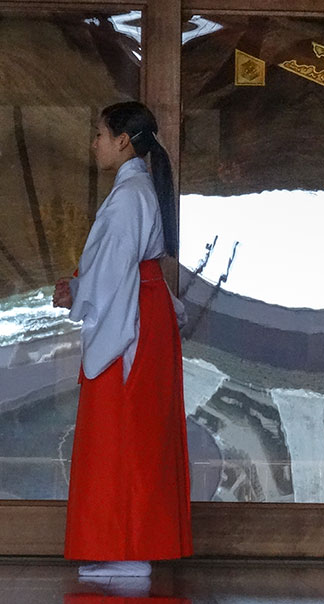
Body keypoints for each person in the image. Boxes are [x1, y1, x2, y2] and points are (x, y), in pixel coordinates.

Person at [53, 101, 192, 578]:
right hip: (142, 305)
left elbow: (113, 268)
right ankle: (128, 543)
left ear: (123, 141)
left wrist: (78, 291)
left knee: (125, 427)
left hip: (133, 312)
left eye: (99, 134)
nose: (94, 143)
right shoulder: (134, 189)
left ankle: (129, 545)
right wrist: (79, 286)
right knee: (134, 428)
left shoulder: (131, 193)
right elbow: (114, 264)